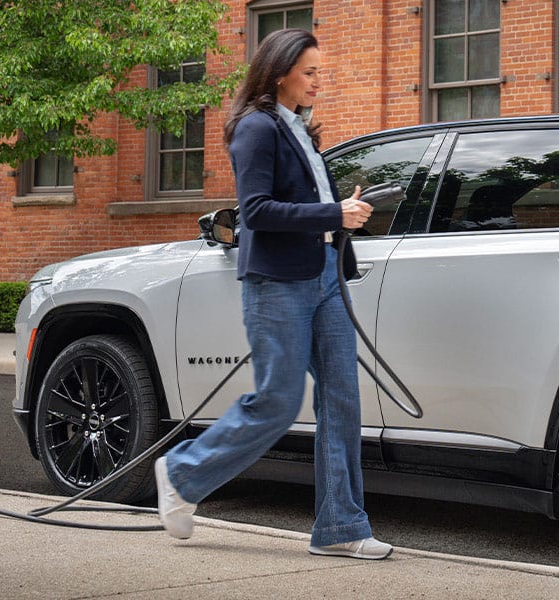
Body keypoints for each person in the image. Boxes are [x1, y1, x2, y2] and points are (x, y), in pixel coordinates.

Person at [153, 28, 390, 560]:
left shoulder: (299, 128)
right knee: (277, 402)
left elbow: (302, 203)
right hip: (278, 283)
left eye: (319, 72)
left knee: (342, 399)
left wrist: (340, 208)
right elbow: (255, 212)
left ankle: (340, 527)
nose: (316, 81)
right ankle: (182, 473)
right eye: (308, 72)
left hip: (324, 274)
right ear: (279, 71)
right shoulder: (255, 128)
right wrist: (333, 212)